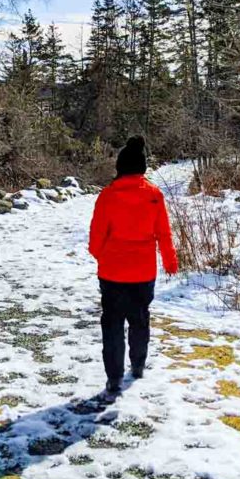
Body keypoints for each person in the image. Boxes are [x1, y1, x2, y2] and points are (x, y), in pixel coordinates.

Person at [88, 135, 178, 394]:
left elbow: (95, 236)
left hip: (112, 273)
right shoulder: (154, 195)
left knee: (112, 323)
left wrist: (102, 255)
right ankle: (138, 365)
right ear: (142, 167)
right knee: (139, 320)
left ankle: (114, 377)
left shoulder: (107, 195)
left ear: (119, 167)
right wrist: (170, 261)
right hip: (143, 272)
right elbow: (164, 233)